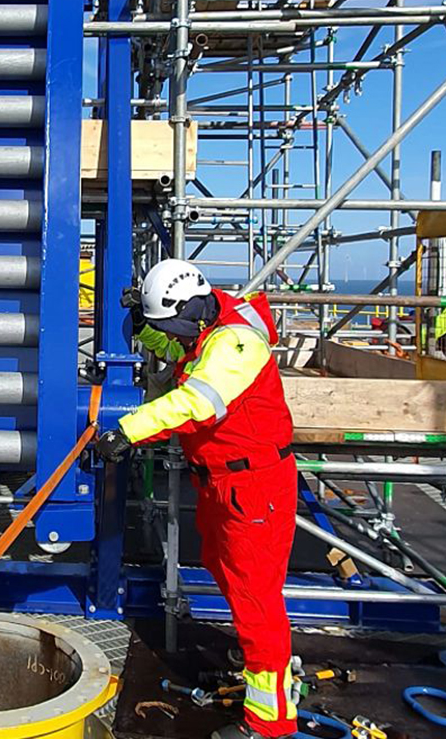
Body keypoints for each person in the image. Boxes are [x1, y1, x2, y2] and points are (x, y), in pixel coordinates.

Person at [96, 259, 298, 739]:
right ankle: (259, 661)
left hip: (254, 488)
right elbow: (176, 347)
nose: (168, 336)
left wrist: (127, 430)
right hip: (226, 485)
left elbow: (197, 402)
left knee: (256, 600)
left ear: (190, 311)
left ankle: (269, 723)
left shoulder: (236, 345)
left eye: (169, 324)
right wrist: (144, 321)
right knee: (223, 568)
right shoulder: (212, 323)